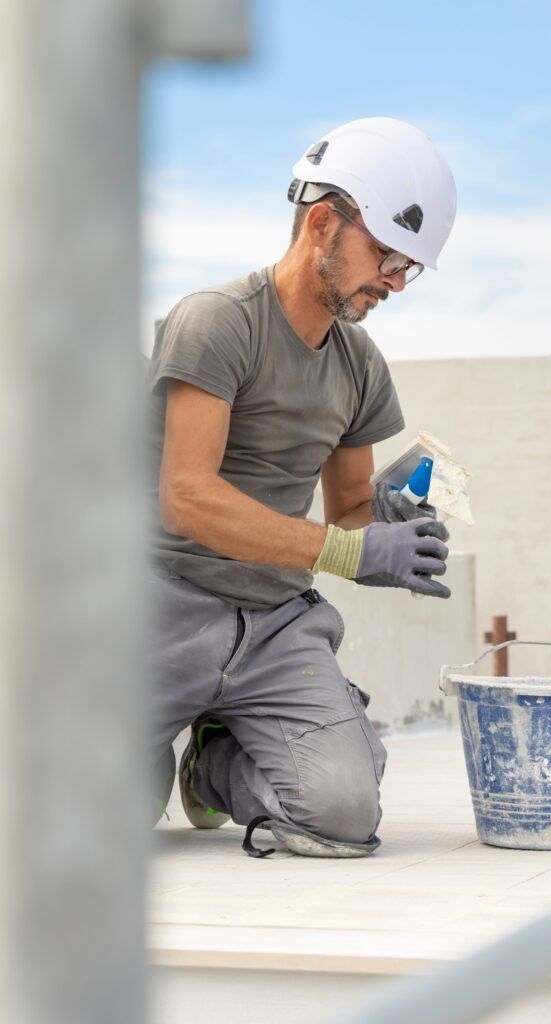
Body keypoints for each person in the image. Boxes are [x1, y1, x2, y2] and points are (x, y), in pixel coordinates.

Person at [147, 116, 457, 858]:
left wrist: (389, 530)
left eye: (408, 267)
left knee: (343, 814)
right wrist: (349, 555)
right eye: (387, 255)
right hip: (159, 608)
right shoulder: (215, 324)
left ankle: (219, 759)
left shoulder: (361, 366)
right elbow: (187, 497)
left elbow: (347, 507)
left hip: (273, 625)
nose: (394, 282)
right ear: (323, 223)